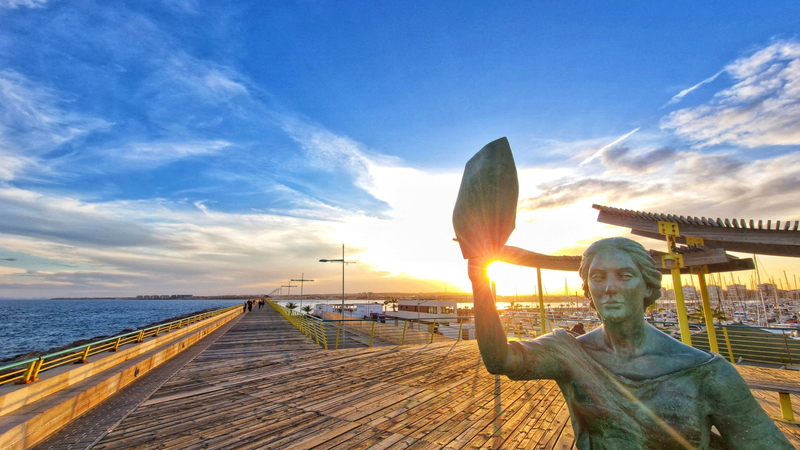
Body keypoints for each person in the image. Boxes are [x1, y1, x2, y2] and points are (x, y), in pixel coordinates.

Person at [469, 237, 791, 449]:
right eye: (598, 277)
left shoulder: (707, 373)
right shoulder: (569, 352)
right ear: (588, 289)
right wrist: (480, 280)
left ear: (647, 286)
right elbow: (500, 360)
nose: (609, 287)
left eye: (624, 276)